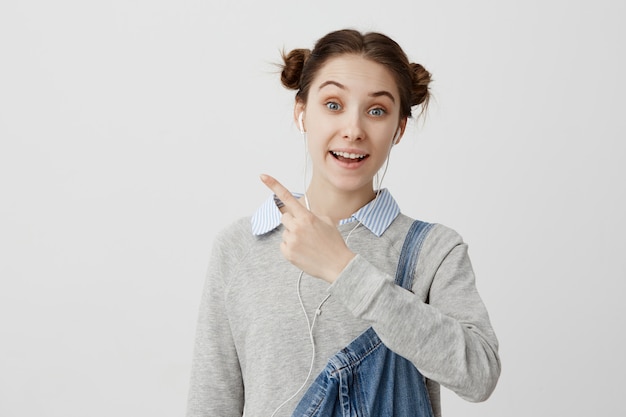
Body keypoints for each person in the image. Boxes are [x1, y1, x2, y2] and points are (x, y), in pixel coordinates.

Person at [186, 28, 500, 417]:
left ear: (398, 128)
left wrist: (344, 268)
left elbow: (480, 374)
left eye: (377, 110)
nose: (353, 129)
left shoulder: (433, 251)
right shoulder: (240, 246)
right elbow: (211, 404)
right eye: (333, 105)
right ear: (302, 113)